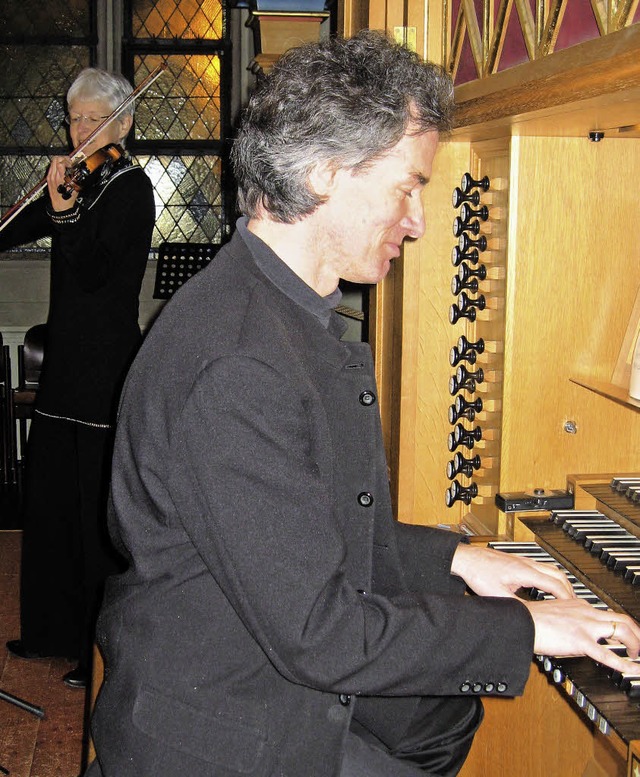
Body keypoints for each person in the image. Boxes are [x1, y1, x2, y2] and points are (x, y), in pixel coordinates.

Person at [86, 31, 640, 776]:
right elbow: (321, 633)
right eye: (407, 185)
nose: (416, 219)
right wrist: (524, 628)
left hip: (255, 662)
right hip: (222, 727)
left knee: (444, 718)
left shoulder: (276, 310)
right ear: (324, 174)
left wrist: (457, 558)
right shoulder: (238, 363)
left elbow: (298, 525)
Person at [1, 68, 155, 690]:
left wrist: (65, 215)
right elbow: (17, 230)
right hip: (64, 361)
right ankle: (48, 631)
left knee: (95, 513)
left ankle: (93, 648)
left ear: (123, 123)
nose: (82, 131)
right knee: (52, 502)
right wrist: (38, 203)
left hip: (106, 367)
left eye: (94, 119)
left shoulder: (130, 188)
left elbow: (93, 273)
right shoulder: (77, 180)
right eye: (74, 119)